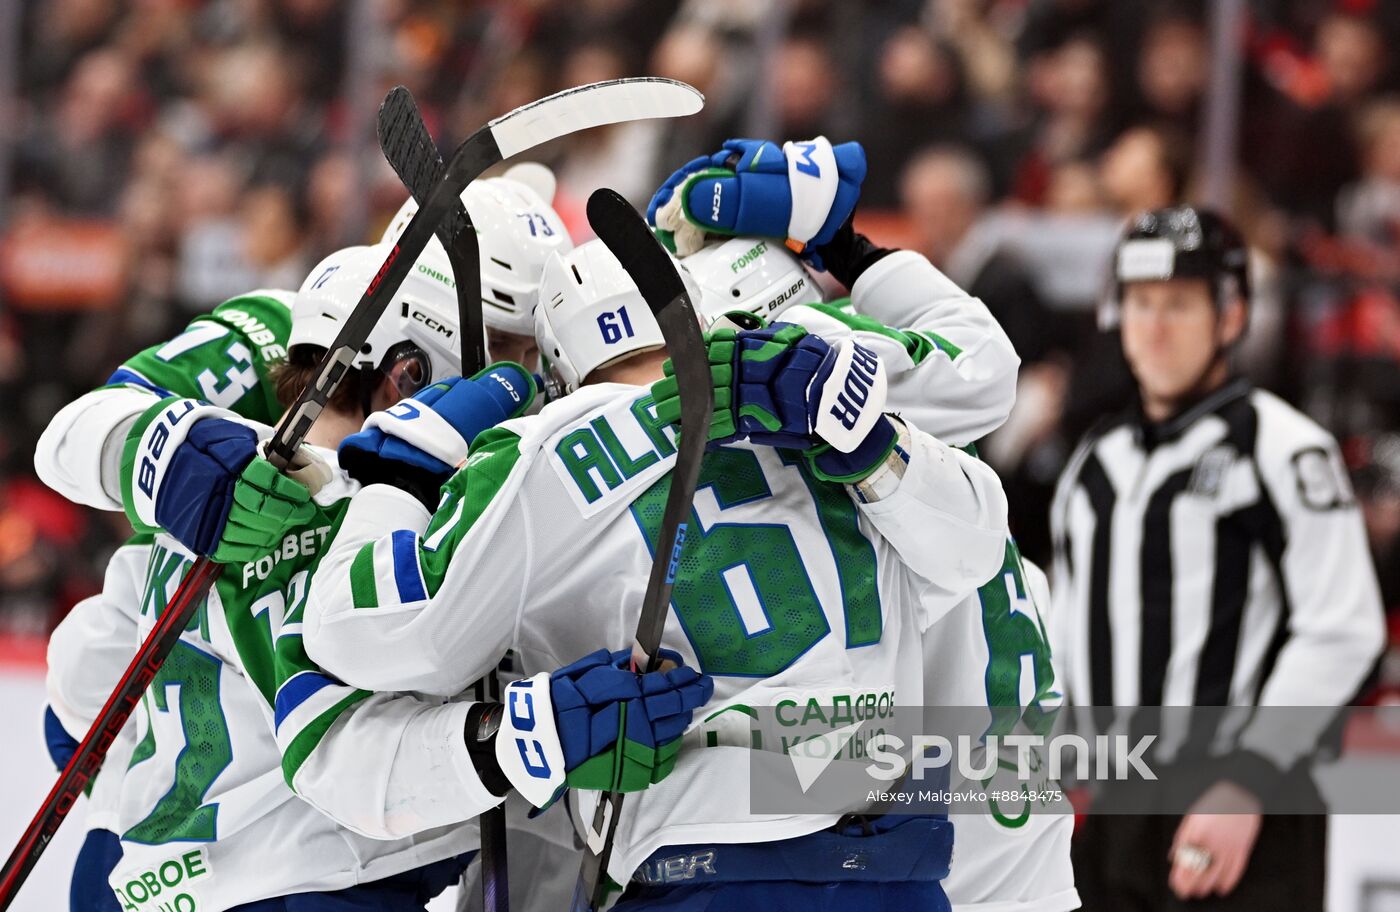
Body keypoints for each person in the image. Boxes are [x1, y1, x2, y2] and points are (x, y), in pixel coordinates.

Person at [34, 241, 709, 911]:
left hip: (138, 877)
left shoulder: (196, 514)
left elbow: (78, 683)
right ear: (407, 376)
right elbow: (343, 748)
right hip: (318, 882)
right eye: (499, 358)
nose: (518, 388)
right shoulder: (368, 521)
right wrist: (530, 733)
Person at [1049, 206, 1386, 909]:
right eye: (1141, 304)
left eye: (1179, 304)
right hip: (1113, 807)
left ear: (1231, 317)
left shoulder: (1283, 449)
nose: (1156, 327)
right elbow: (1066, 624)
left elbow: (1342, 626)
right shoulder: (1094, 462)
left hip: (1243, 804)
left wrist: (1248, 780)